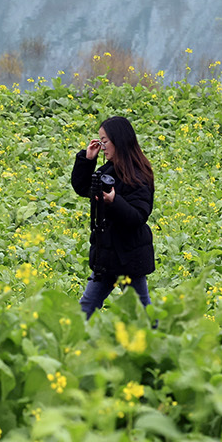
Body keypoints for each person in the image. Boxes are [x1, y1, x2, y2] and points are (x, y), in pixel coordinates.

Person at [71, 114, 155, 318]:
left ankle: (159, 336)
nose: (102, 147)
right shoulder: (108, 170)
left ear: (119, 141)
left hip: (129, 257)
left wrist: (114, 201)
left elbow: (138, 216)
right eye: (100, 141)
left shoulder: (138, 176)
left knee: (142, 312)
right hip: (106, 256)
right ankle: (72, 337)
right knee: (86, 306)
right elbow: (82, 188)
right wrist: (88, 160)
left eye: (105, 141)